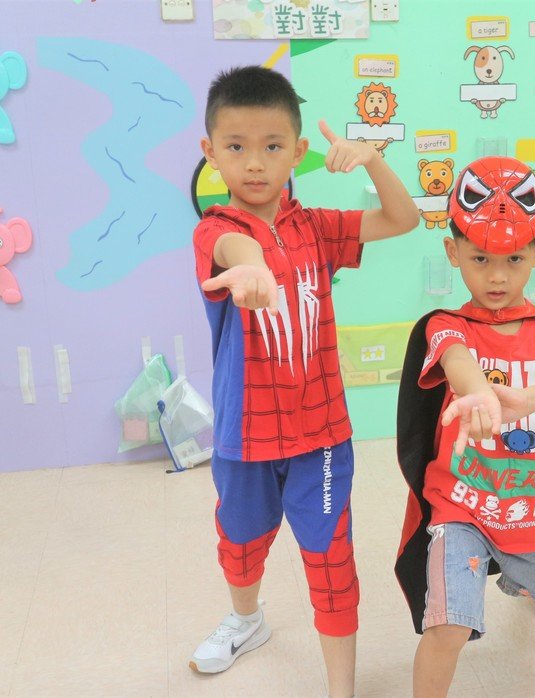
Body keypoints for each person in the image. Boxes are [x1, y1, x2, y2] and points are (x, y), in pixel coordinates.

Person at [189, 65, 419, 698]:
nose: (254, 163)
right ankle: (246, 620)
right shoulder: (215, 229)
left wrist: (374, 159)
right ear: (211, 152)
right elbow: (236, 251)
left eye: (272, 146)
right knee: (240, 543)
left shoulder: (316, 226)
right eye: (236, 146)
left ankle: (341, 688)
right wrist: (253, 268)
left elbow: (402, 219)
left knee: (331, 562)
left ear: (298, 151)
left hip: (321, 436)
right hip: (244, 438)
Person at [393, 156, 535, 697]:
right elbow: (457, 360)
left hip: (534, 507)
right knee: (447, 627)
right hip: (463, 507)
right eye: (480, 258)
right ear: (452, 251)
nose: (497, 276)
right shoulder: (447, 326)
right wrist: (478, 391)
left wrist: (529, 399)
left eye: (514, 258)